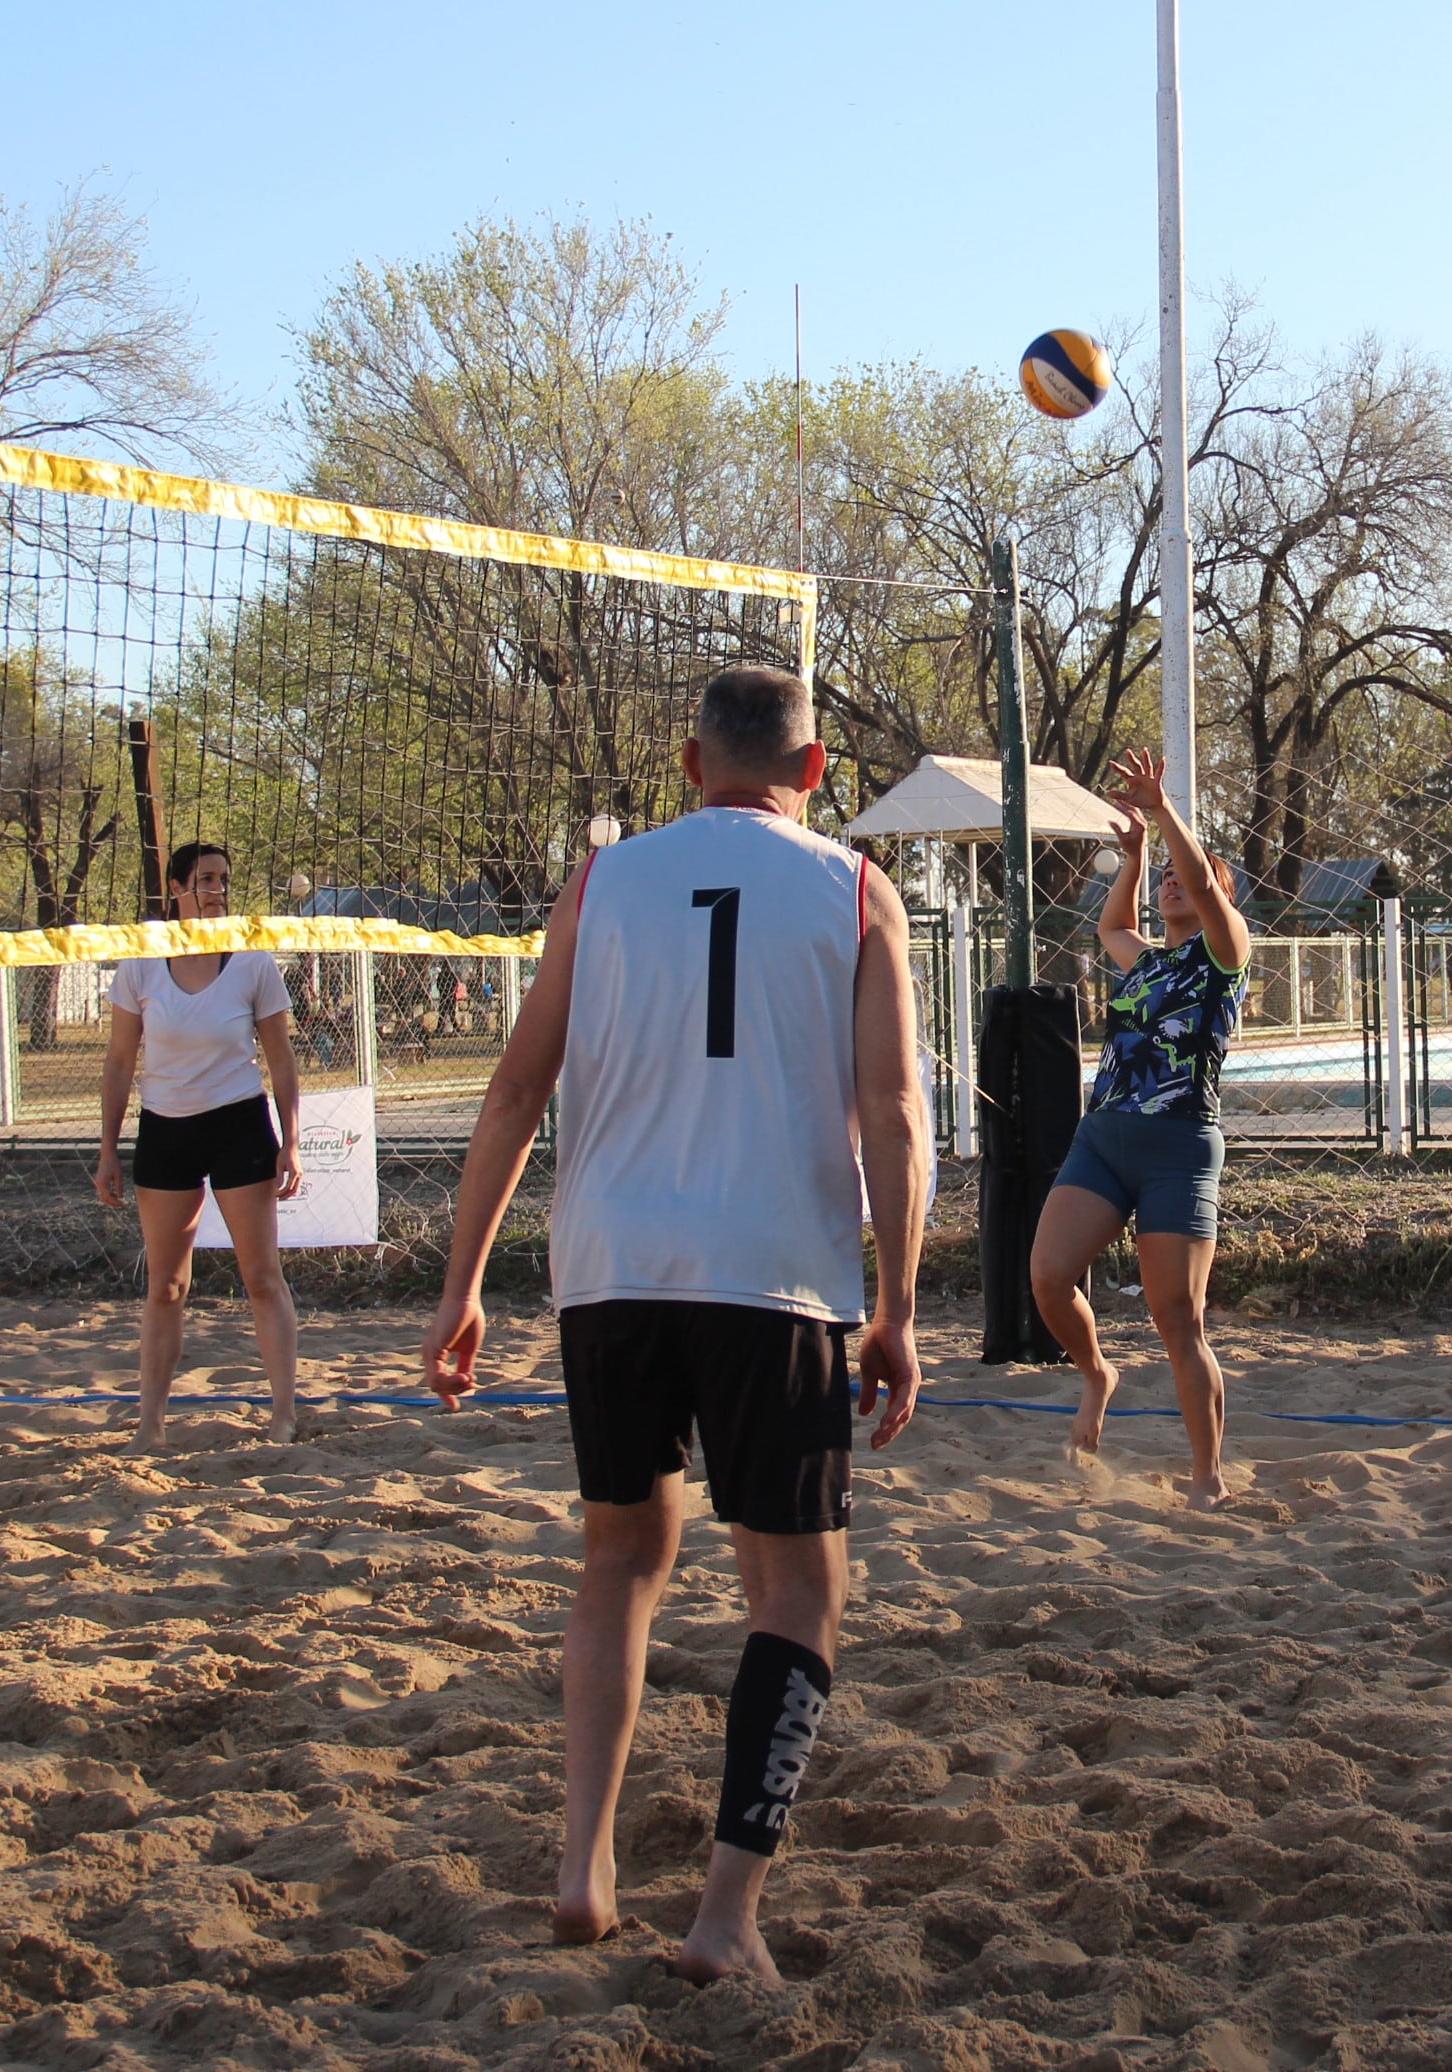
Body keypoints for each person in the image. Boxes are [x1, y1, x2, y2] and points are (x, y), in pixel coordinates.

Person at [419, 664, 928, 1985]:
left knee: (619, 1562)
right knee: (800, 1589)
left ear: (690, 764)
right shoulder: (858, 892)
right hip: (776, 1276)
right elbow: (898, 1118)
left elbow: (515, 1088)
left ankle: (582, 1865)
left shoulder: (600, 884)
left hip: (612, 1267)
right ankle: (724, 1916)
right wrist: (902, 1307)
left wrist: (464, 1281)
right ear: (815, 775)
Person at [1028, 749, 1254, 1510]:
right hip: (1106, 1137)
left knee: (1178, 1323)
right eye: (1169, 880)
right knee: (1049, 1277)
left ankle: (1207, 1479)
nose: (1173, 885)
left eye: (1189, 881)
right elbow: (1112, 925)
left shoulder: (1223, 957)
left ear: (1218, 896)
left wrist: (1163, 814)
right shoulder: (1147, 963)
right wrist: (1133, 858)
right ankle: (1096, 1372)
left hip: (1179, 1147)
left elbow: (1198, 881)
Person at [92, 842, 305, 1450]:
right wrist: (108, 1148)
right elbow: (118, 1062)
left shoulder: (252, 962)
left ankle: (283, 1415)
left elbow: (282, 1062)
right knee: (167, 1286)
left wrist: (292, 1143)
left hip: (238, 1125)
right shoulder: (141, 963)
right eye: (205, 880)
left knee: (262, 1277)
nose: (216, 890)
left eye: (223, 880)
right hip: (166, 1131)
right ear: (176, 889)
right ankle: (151, 1424)